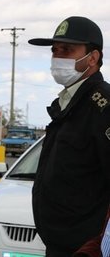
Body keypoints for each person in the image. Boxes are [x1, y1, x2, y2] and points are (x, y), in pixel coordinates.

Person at [28, 16, 110, 257]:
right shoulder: (67, 104)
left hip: (86, 249)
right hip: (58, 246)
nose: (57, 57)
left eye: (67, 50)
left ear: (93, 58)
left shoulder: (103, 106)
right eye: (55, 51)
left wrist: (97, 246)